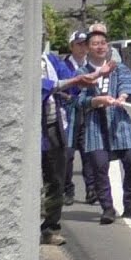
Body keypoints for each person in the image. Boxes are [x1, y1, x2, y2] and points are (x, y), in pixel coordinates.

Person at [77, 30, 131, 224]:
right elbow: (77, 100)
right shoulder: (82, 73)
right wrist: (97, 100)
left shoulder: (118, 68)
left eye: (103, 43)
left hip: (119, 122)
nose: (99, 46)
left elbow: (129, 86)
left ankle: (129, 204)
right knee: (99, 167)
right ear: (88, 48)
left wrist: (123, 96)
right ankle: (107, 208)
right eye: (95, 43)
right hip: (95, 125)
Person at [40, 42, 101, 245]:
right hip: (31, 128)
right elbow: (41, 85)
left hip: (53, 125)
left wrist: (89, 78)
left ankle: (50, 229)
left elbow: (71, 83)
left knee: (56, 179)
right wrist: (71, 82)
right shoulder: (23, 58)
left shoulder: (51, 60)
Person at [62, 30, 97, 206]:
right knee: (67, 155)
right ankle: (67, 188)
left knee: (88, 153)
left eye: (85, 44)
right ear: (71, 46)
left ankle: (91, 189)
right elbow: (56, 87)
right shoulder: (63, 66)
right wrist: (68, 97)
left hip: (87, 113)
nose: (83, 48)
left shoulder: (92, 65)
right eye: (79, 44)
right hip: (68, 115)